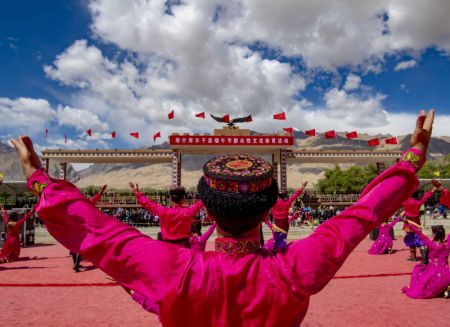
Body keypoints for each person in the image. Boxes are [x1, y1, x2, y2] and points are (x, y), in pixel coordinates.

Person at [11, 109, 434, 326]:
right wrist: (412, 157)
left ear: (206, 209)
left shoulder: (169, 268)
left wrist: (39, 180)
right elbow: (361, 216)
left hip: (174, 258)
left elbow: (94, 228)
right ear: (270, 210)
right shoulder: (296, 268)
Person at [129, 182, 204, 248]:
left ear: (170, 198)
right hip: (184, 247)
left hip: (166, 246)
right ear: (183, 198)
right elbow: (202, 202)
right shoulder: (188, 212)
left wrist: (136, 191)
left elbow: (147, 203)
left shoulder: (163, 211)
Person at [401, 221, 450, 298]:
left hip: (434, 272)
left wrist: (409, 224)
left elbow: (420, 235)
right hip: (446, 273)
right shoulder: (447, 244)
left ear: (436, 235)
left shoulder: (432, 245)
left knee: (417, 270)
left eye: (433, 233)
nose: (432, 234)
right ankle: (446, 289)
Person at [71, 185, 107, 272]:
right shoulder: (85, 205)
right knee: (80, 248)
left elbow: (94, 199)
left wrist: (101, 191)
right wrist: (101, 191)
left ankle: (75, 264)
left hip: (73, 229)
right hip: (82, 229)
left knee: (73, 247)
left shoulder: (73, 206)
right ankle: (76, 264)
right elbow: (94, 199)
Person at [402, 186, 438, 262]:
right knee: (419, 239)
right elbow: (426, 196)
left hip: (408, 225)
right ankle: (424, 257)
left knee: (410, 240)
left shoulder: (405, 202)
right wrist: (433, 189)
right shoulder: (418, 203)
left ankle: (413, 257)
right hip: (416, 224)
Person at [270, 182, 307, 251]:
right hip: (284, 225)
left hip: (276, 224)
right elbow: (295, 195)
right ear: (285, 196)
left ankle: (275, 254)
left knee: (275, 241)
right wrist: (302, 187)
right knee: (282, 242)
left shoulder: (273, 202)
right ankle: (282, 254)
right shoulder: (287, 202)